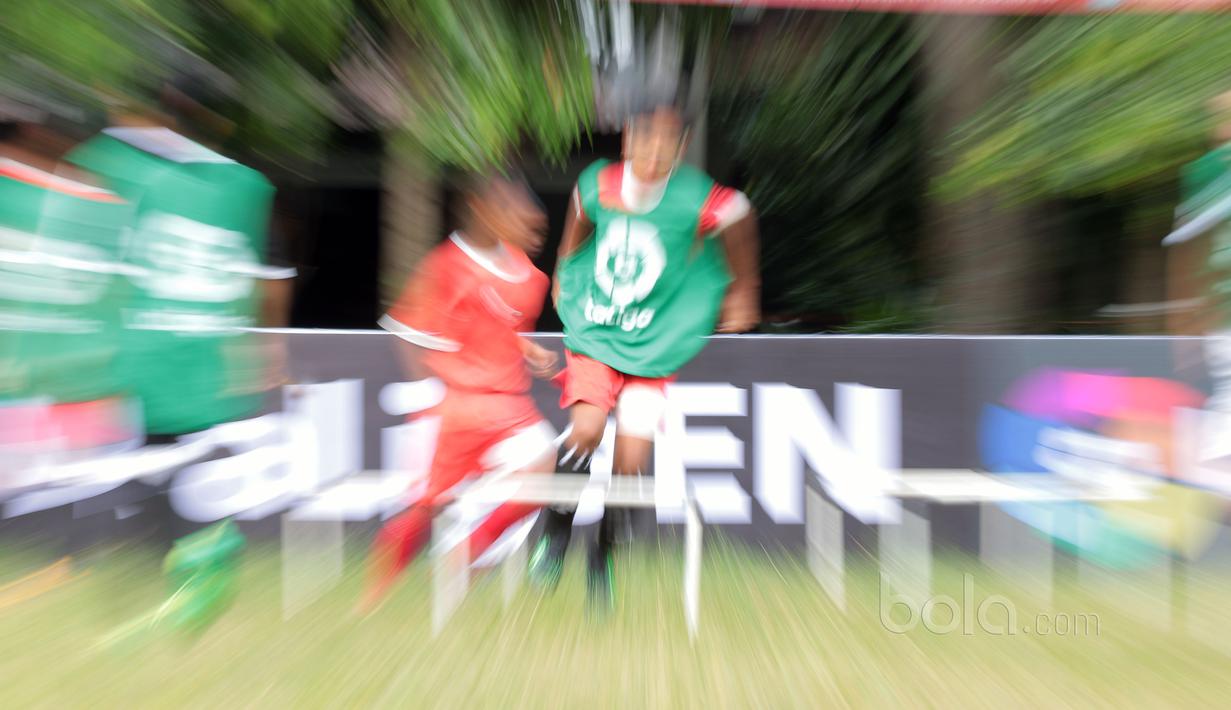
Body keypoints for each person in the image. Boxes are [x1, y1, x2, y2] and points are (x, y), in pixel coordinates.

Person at [530, 101, 760, 612]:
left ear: (681, 147)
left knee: (631, 465)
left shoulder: (694, 196)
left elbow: (741, 212)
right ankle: (556, 530)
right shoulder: (600, 183)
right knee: (587, 431)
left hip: (652, 347)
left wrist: (746, 288)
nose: (655, 151)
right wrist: (565, 263)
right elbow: (580, 208)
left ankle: (603, 555)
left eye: (667, 142)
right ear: (628, 138)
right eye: (647, 138)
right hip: (597, 334)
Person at [360, 173, 560, 611]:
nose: (532, 231)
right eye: (520, 218)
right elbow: (408, 332)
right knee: (426, 506)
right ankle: (373, 597)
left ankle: (469, 552)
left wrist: (528, 350)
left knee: (544, 465)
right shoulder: (446, 266)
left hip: (507, 406)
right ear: (484, 211)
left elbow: (502, 329)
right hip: (455, 407)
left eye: (537, 225)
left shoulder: (530, 278)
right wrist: (429, 396)